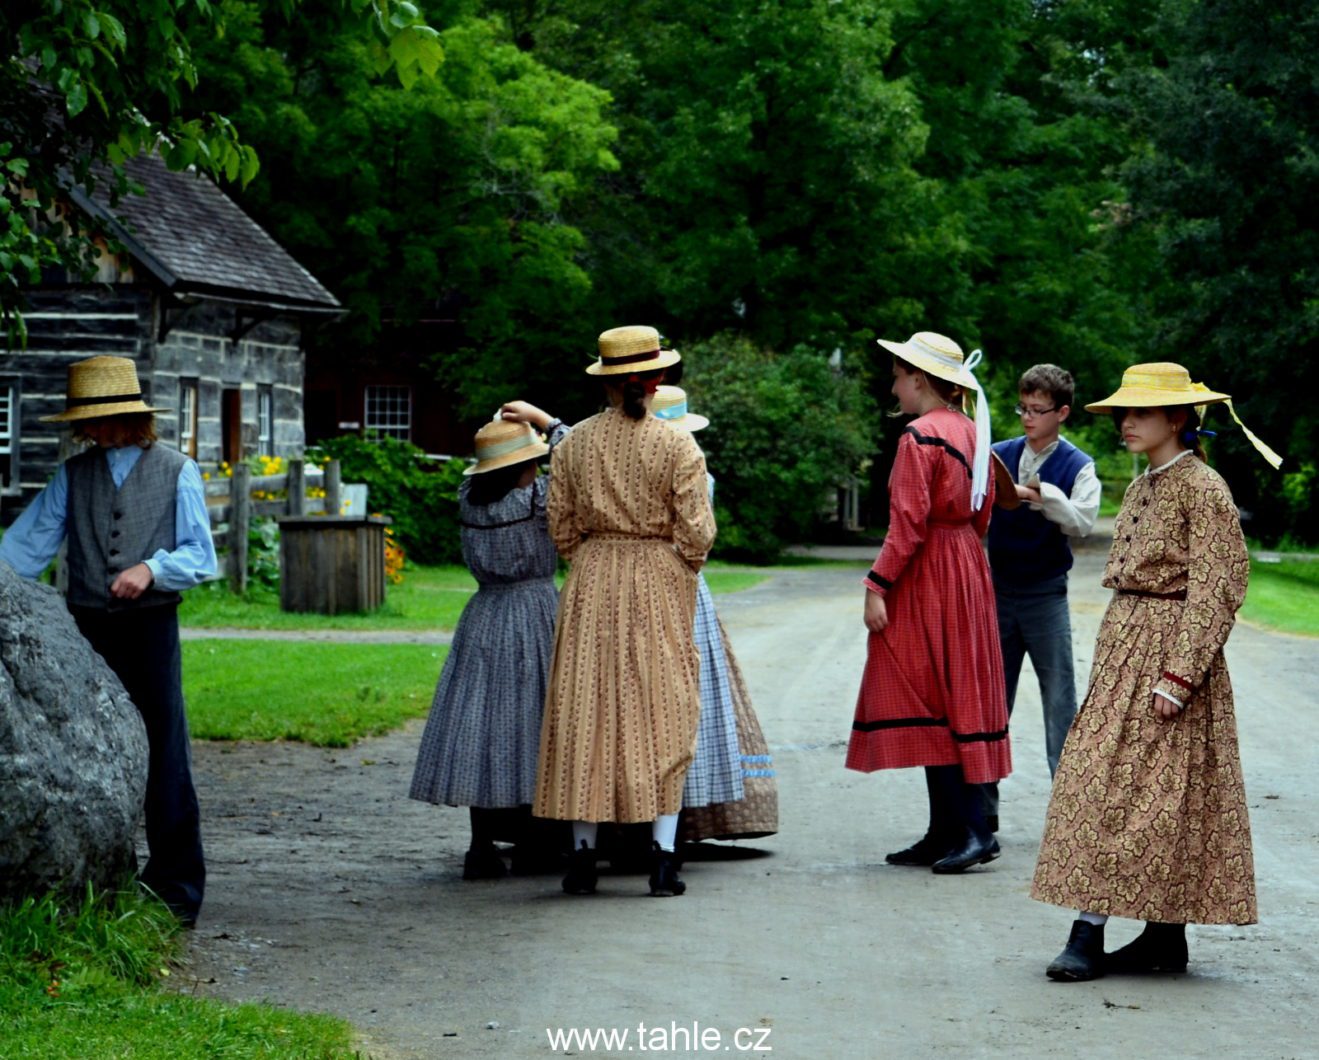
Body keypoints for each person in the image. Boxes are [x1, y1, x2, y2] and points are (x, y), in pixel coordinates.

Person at [1032, 361, 1279, 982]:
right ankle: (1163, 939)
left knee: (1144, 795)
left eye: (1139, 412)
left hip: (1172, 656)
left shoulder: (1204, 487)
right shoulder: (1143, 485)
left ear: (1178, 418)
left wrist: (1180, 674)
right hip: (1124, 648)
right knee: (1116, 785)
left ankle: (1089, 934)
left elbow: (1219, 587)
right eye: (1122, 412)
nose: (1125, 423)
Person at [0, 355, 216, 926]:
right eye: (84, 422)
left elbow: (201, 555)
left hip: (150, 628)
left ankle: (176, 887)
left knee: (165, 750)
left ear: (128, 417)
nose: (90, 431)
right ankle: (99, 876)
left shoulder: (176, 469)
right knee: (87, 748)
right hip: (86, 630)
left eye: (97, 419)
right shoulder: (74, 475)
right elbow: (24, 549)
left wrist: (151, 568)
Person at [533, 326, 716, 897]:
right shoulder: (678, 445)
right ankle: (662, 858)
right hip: (658, 579)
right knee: (664, 710)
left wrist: (592, 556)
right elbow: (698, 533)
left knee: (585, 712)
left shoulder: (573, 444)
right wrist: (673, 563)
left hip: (592, 580)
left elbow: (559, 525)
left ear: (608, 383)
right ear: (657, 378)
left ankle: (583, 859)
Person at [846, 331, 1011, 874]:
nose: (893, 385)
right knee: (957, 689)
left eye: (897, 375)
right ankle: (949, 829)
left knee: (932, 690)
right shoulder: (971, 430)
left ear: (919, 378)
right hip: (966, 562)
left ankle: (973, 831)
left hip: (930, 570)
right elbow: (984, 514)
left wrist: (877, 585)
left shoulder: (919, 436)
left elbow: (908, 526)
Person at [408, 402, 567, 880]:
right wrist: (543, 421)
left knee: (483, 727)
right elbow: (579, 453)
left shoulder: (468, 499)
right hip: (536, 612)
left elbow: (474, 473)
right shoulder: (537, 499)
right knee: (536, 725)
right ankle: (537, 842)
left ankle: (480, 847)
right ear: (525, 465)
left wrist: (498, 436)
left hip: (484, 616)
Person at [650, 386, 778, 844]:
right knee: (688, 698)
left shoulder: (691, 473)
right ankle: (673, 824)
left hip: (660, 584)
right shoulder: (694, 471)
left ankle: (663, 820)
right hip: (684, 584)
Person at [983, 365, 1100, 829]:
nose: (1028, 418)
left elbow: (1083, 521)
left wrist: (1038, 494)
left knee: (1059, 702)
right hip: (997, 593)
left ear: (1062, 412)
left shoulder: (1078, 465)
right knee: (991, 702)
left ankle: (1068, 817)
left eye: (1038, 410)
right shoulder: (997, 454)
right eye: (1023, 408)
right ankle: (982, 814)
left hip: (1046, 595)